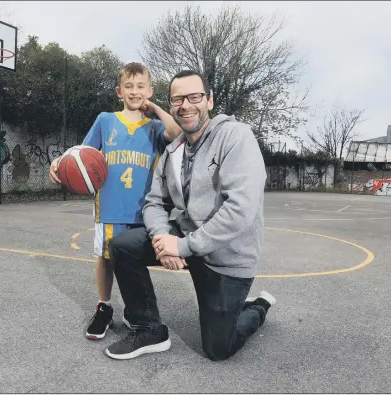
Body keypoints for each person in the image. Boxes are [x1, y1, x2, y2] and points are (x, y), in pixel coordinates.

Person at [105, 70, 275, 361]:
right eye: (177, 99)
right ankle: (149, 328)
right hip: (186, 239)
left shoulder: (236, 137)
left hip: (226, 256)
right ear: (171, 105)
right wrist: (162, 238)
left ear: (209, 100)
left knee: (219, 349)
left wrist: (182, 247)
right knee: (123, 245)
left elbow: (240, 210)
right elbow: (153, 202)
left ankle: (257, 306)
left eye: (194, 97)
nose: (185, 105)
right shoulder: (172, 150)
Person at [49, 62, 182, 340]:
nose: (135, 91)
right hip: (110, 206)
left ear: (150, 90)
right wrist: (58, 162)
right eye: (129, 86)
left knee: (133, 261)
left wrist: (156, 108)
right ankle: (105, 307)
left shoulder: (156, 126)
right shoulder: (105, 120)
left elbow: (178, 132)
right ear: (119, 91)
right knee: (106, 258)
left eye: (141, 86)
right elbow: (80, 155)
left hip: (145, 210)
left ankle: (134, 309)